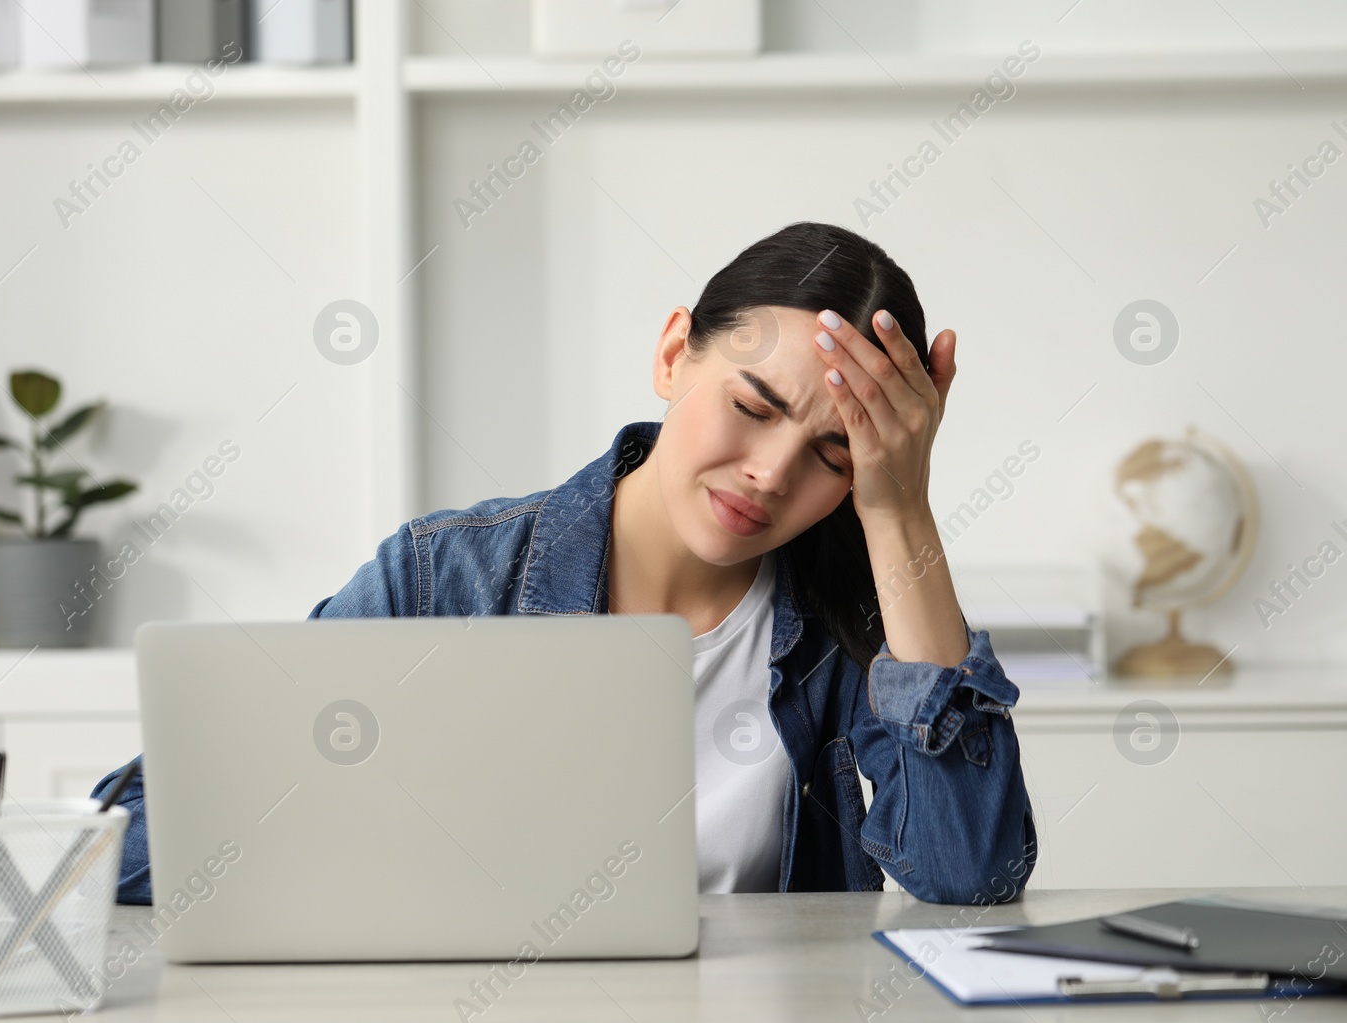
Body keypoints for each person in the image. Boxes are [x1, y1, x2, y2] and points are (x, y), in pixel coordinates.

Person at [95, 221, 1037, 907]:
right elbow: (137, 845)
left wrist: (900, 507)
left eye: (834, 456)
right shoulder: (446, 578)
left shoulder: (853, 625)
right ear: (674, 354)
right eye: (752, 407)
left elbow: (971, 873)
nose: (769, 472)